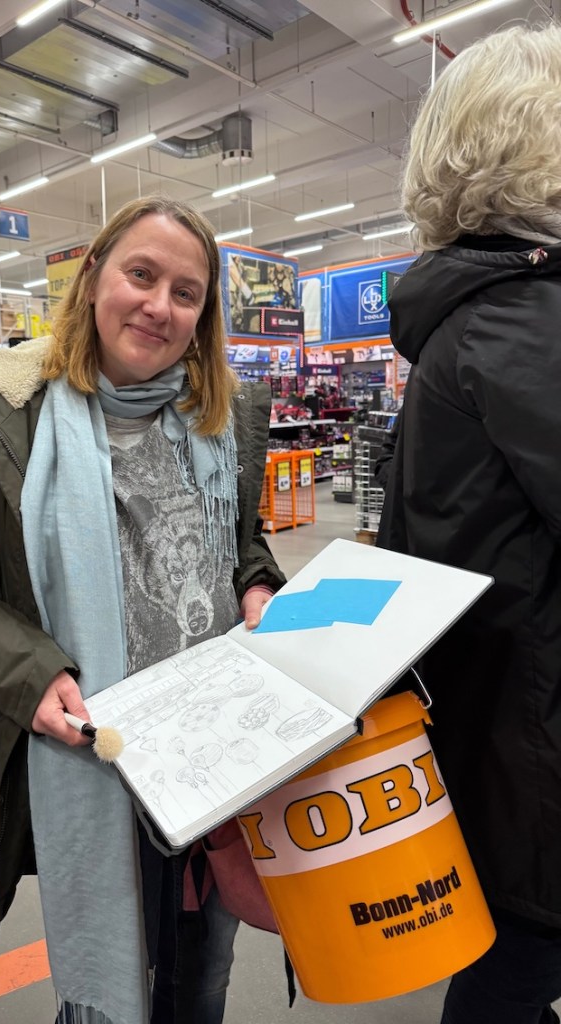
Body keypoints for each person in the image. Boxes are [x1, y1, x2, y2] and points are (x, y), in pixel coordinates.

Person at [0, 194, 286, 1024]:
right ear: (95, 277)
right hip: (94, 752)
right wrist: (30, 674)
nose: (159, 305)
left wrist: (256, 583)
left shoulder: (222, 416)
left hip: (211, 755)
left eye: (186, 292)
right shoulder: (11, 412)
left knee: (202, 973)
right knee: (118, 975)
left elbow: (239, 540)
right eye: (141, 275)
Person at [377, 24, 561, 1024]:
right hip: (538, 757)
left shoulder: (470, 320)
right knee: (509, 982)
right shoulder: (520, 319)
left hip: (503, 738)